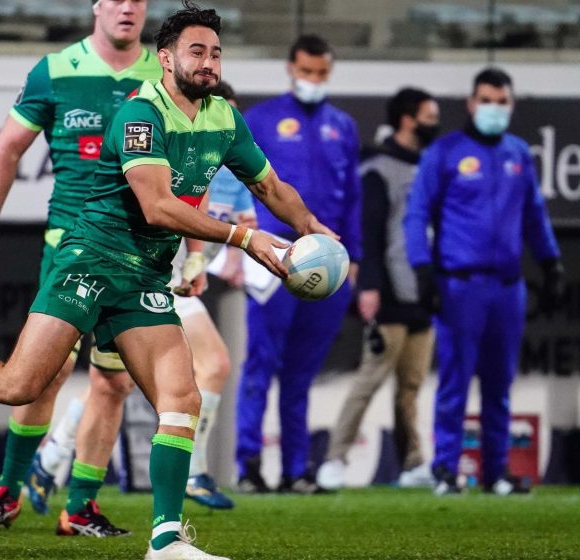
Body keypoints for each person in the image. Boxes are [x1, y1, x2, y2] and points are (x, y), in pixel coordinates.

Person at [0, 4, 334, 557]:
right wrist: (246, 239)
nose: (208, 62)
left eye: (215, 52)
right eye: (196, 51)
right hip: (90, 260)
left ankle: (166, 541)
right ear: (166, 59)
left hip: (145, 275)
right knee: (19, 386)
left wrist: (312, 227)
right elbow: (157, 206)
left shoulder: (222, 115)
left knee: (182, 398)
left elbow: (271, 188)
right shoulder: (140, 113)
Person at [0, 0, 161, 537]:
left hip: (135, 255)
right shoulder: (54, 71)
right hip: (70, 246)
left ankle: (81, 507)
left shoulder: (163, 72)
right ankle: (6, 493)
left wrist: (190, 252)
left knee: (113, 384)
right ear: (96, 6)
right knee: (39, 378)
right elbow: (5, 150)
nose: (128, 7)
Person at [29, 80, 250, 513]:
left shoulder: (220, 167)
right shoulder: (156, 132)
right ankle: (57, 461)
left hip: (167, 274)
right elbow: (161, 204)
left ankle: (57, 459)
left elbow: (206, 203)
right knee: (85, 380)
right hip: (131, 268)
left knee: (194, 369)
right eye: (223, 116)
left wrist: (197, 261)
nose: (226, 131)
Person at [404, 68, 562, 496]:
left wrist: (550, 262)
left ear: (510, 105)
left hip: (508, 288)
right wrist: (421, 268)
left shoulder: (517, 154)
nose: (494, 108)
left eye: (502, 101)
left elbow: (534, 215)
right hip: (460, 285)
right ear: (472, 103)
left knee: (500, 385)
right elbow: (417, 214)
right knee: (455, 382)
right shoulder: (445, 153)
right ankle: (445, 470)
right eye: (487, 100)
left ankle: (495, 473)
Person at [236, 34, 362, 494]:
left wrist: (355, 259)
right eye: (307, 71)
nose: (314, 80)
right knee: (260, 365)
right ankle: (248, 465)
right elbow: (239, 184)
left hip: (329, 261)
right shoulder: (260, 119)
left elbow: (353, 198)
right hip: (274, 254)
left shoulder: (343, 127)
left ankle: (293, 469)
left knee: (301, 371)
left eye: (322, 73)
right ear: (292, 68)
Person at [316, 87, 440, 490]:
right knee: (368, 383)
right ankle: (335, 459)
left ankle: (414, 463)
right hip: (388, 290)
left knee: (411, 388)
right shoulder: (378, 168)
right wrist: (369, 286)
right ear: (408, 118)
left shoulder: (430, 166)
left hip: (423, 292)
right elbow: (369, 233)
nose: (435, 123)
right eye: (429, 115)